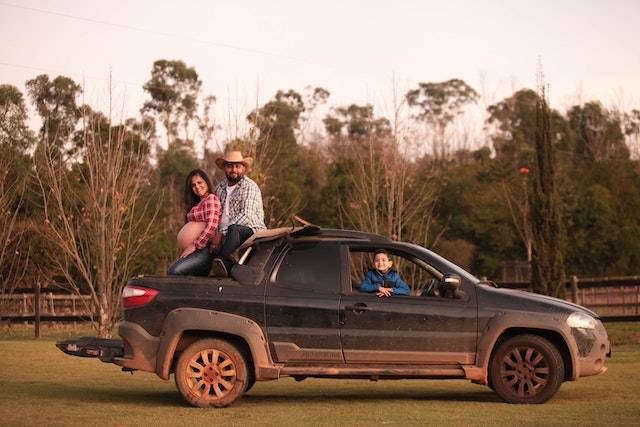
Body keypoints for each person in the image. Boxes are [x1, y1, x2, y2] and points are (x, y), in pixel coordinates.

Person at [211, 150, 266, 277]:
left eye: (237, 166)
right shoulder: (219, 188)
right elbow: (216, 214)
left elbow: (247, 215)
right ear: (225, 168)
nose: (233, 170)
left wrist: (222, 232)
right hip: (223, 233)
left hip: (249, 230)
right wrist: (214, 233)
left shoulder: (249, 186)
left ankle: (225, 264)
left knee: (234, 229)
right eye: (230, 166)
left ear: (243, 168)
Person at [168, 169, 221, 276]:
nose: (197, 186)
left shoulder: (211, 199)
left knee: (175, 271)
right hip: (197, 250)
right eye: (193, 185)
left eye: (200, 182)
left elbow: (212, 225)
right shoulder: (197, 204)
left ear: (206, 182)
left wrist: (195, 245)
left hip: (205, 248)